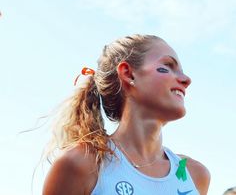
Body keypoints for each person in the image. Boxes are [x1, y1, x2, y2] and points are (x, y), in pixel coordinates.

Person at [42, 34, 210, 195]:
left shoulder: (195, 175)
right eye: (166, 66)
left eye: (181, 70)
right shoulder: (81, 164)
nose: (186, 79)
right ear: (128, 74)